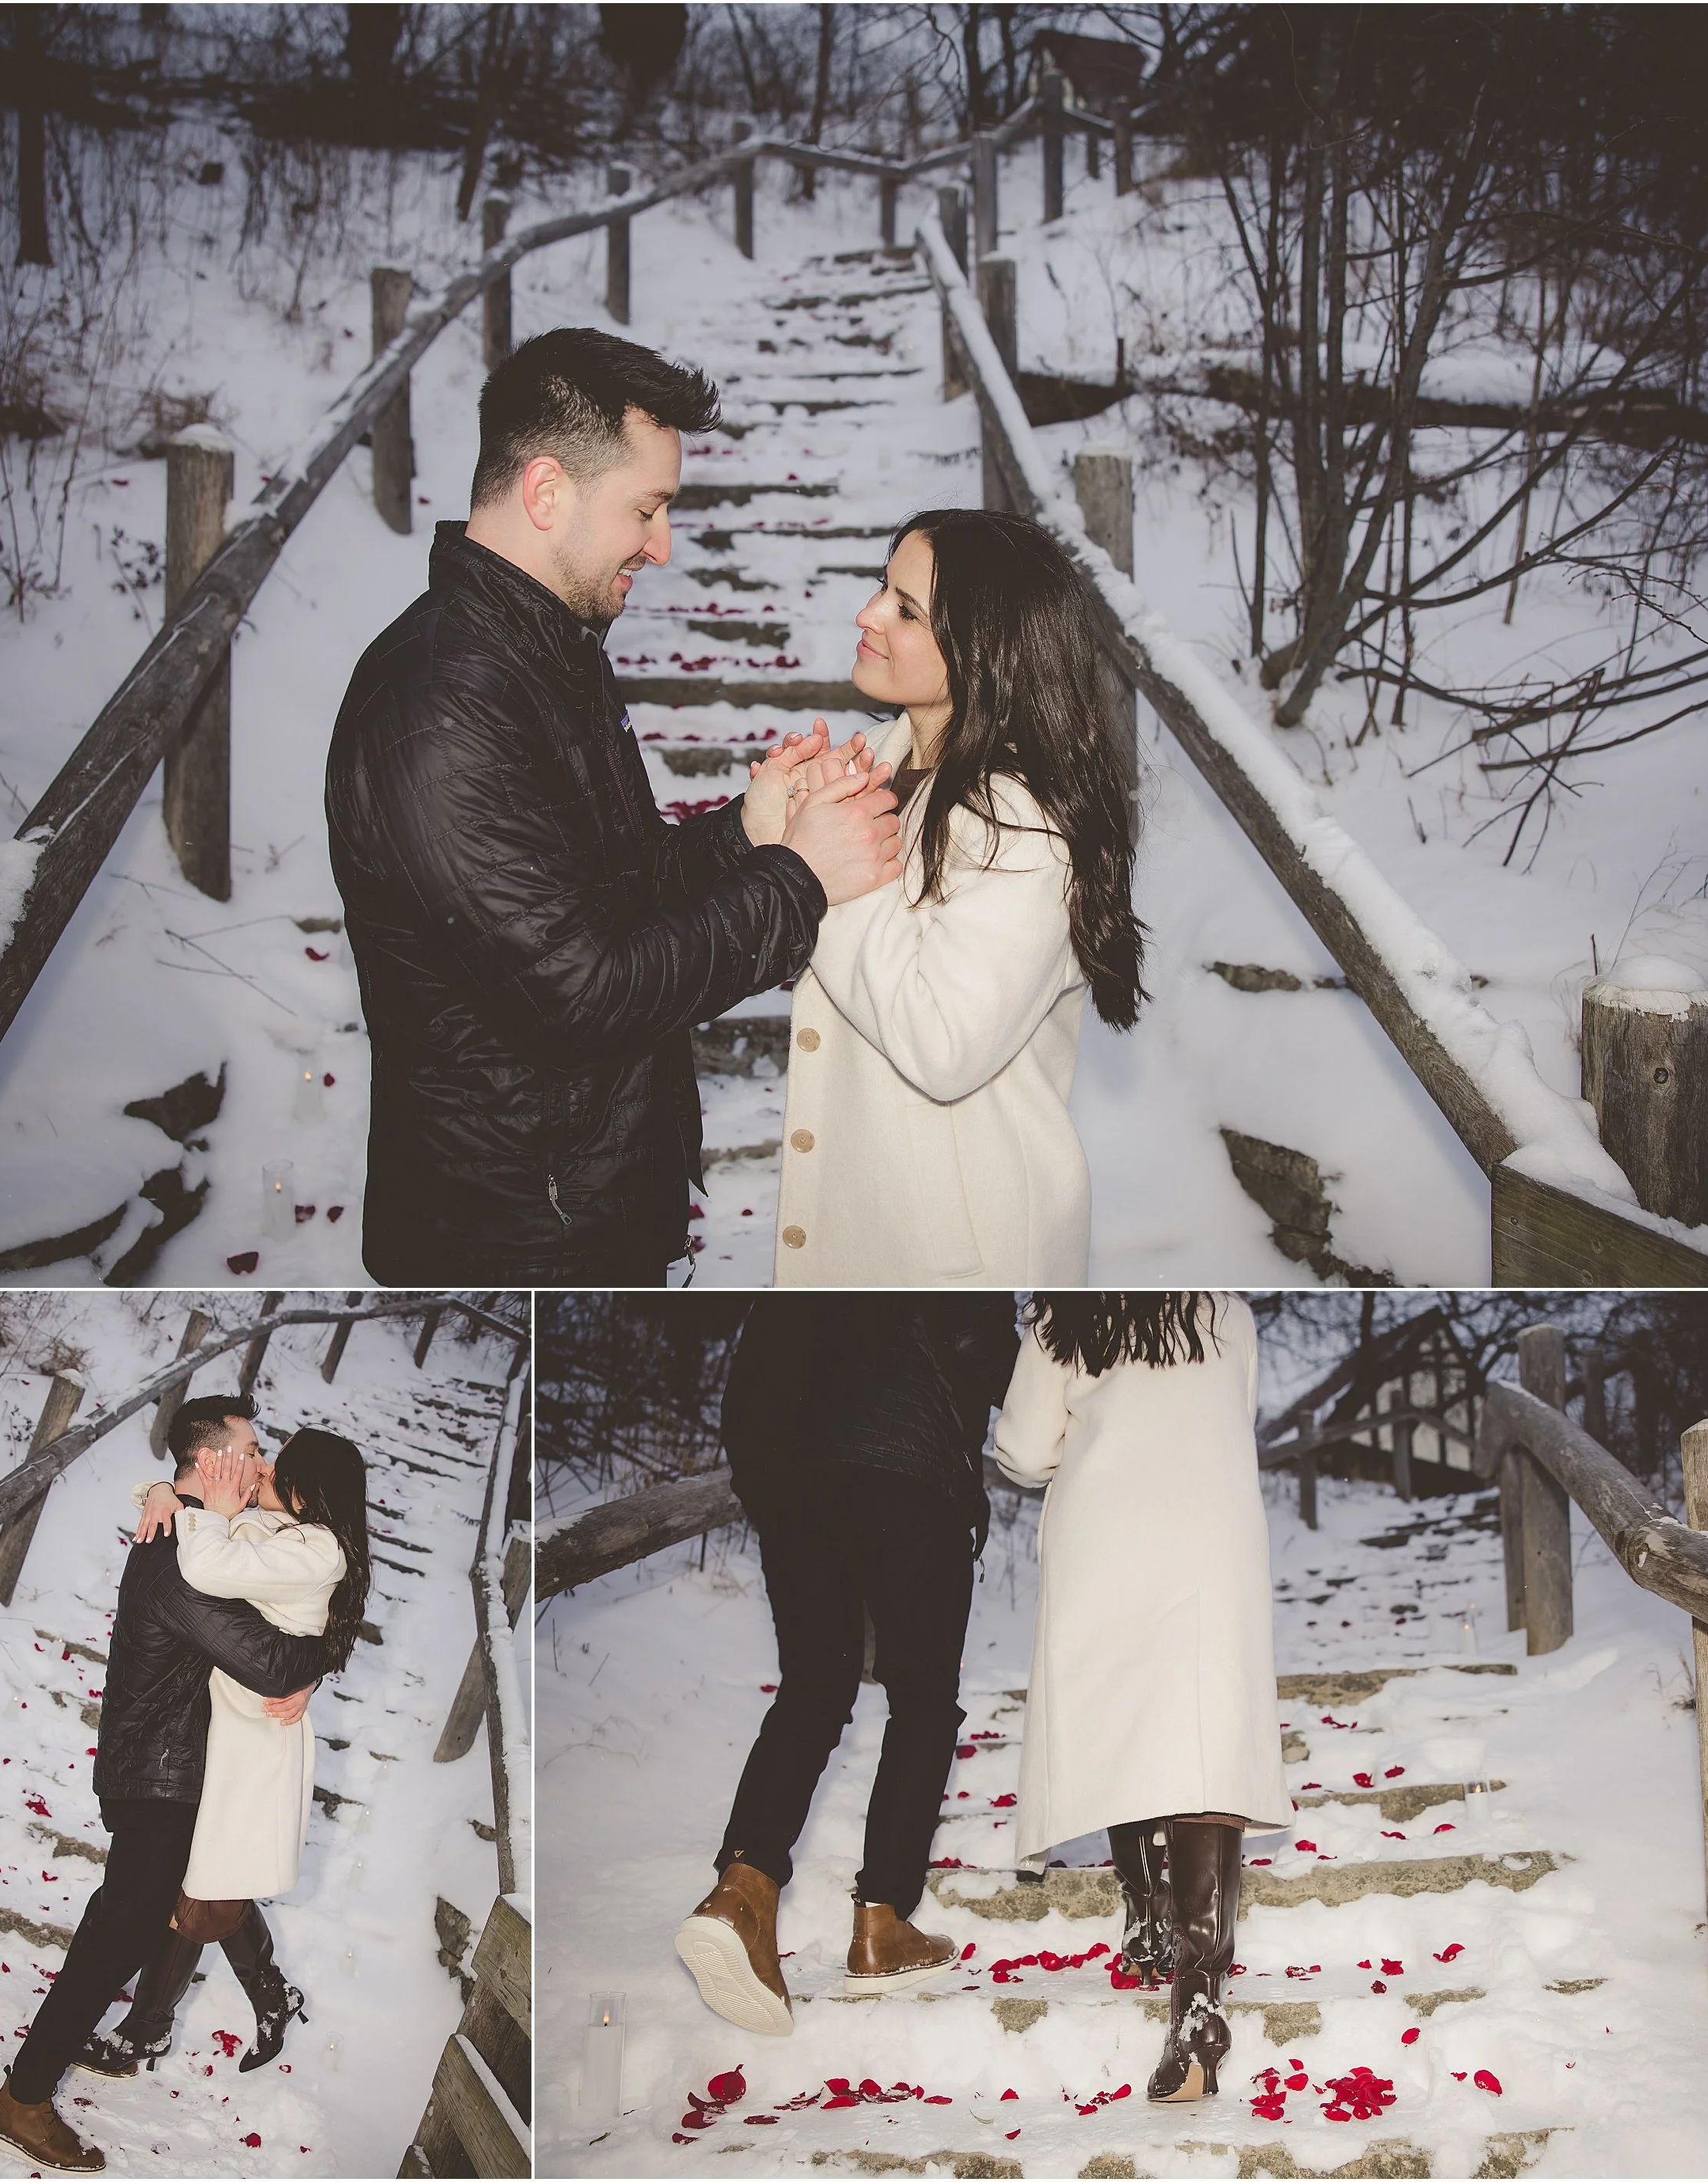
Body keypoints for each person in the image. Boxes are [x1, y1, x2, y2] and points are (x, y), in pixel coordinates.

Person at [327, 326, 903, 1286]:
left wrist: (747, 832)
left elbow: (607, 897)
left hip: (581, 1202)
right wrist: (797, 879)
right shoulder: (440, 707)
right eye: (647, 509)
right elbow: (582, 993)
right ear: (547, 490)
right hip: (512, 1238)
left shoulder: (548, 655)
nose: (663, 544)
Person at [772, 507, 1146, 1285]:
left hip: (952, 1253)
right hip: (865, 1219)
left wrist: (821, 860)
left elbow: (941, 1045)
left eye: (905, 609)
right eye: (883, 587)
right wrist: (782, 834)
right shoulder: (880, 761)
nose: (867, 613)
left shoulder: (1024, 821)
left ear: (984, 651)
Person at [0, 1398, 327, 2175]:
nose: (264, 1462)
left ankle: (55, 2075)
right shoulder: (177, 1546)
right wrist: (310, 1665)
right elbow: (269, 1660)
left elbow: (275, 1610)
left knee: (137, 1926)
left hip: (177, 1769)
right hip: (160, 1775)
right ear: (211, 1462)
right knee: (118, 1937)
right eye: (251, 1447)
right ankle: (24, 2098)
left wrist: (162, 1490)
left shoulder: (195, 1527)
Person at [673, 1293, 1020, 2033]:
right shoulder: (948, 1242)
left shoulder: (810, 1249)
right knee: (923, 1700)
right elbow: (983, 1352)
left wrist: (767, 1489)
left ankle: (742, 1890)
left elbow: (746, 1381)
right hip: (910, 1473)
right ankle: (882, 1921)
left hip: (795, 1479)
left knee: (814, 1686)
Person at [992, 1293, 1290, 2106]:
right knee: (1202, 1737)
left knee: (1121, 1710)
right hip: (1209, 1529)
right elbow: (1234, 1416)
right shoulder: (1227, 1309)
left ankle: (1143, 1913)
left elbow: (1019, 1450)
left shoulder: (1066, 1315)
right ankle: (1197, 2007)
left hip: (1106, 1527)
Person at [72, 1425, 372, 2081]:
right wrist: (160, 1489)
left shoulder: (317, 1549)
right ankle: (271, 1993)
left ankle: (145, 2032)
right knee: (210, 1878)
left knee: (202, 1883)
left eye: (273, 1463)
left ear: (305, 1487)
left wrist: (222, 1515)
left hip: (256, 1743)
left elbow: (209, 1564)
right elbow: (185, 1509)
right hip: (220, 1728)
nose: (259, 1467)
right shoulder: (279, 1529)